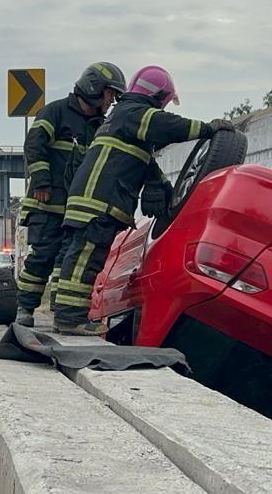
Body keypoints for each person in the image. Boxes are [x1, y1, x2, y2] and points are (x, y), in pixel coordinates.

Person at [55, 65, 232, 334]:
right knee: (85, 260)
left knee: (81, 256)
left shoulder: (122, 118)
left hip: (93, 203)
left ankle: (66, 314)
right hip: (98, 205)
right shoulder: (135, 113)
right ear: (159, 96)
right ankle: (70, 318)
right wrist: (207, 128)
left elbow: (145, 163)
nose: (164, 109)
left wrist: (162, 188)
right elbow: (167, 126)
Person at [16, 62, 127, 328]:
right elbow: (34, 145)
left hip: (74, 210)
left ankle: (62, 313)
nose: (112, 100)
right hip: (46, 206)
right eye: (110, 93)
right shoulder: (55, 112)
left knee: (68, 261)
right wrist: (42, 183)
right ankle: (25, 309)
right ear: (94, 88)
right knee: (42, 257)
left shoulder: (100, 124)